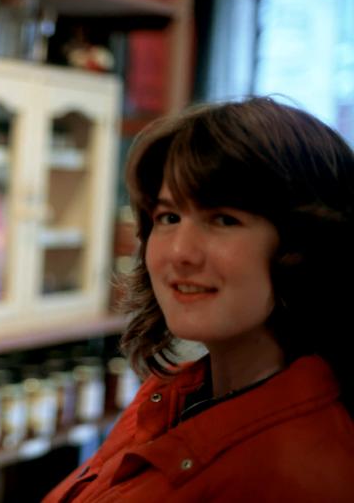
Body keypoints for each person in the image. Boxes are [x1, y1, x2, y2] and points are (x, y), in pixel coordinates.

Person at [43, 96, 354, 503]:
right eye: (168, 217)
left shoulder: (299, 476)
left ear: (306, 245)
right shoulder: (173, 390)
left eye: (223, 219)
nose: (179, 252)